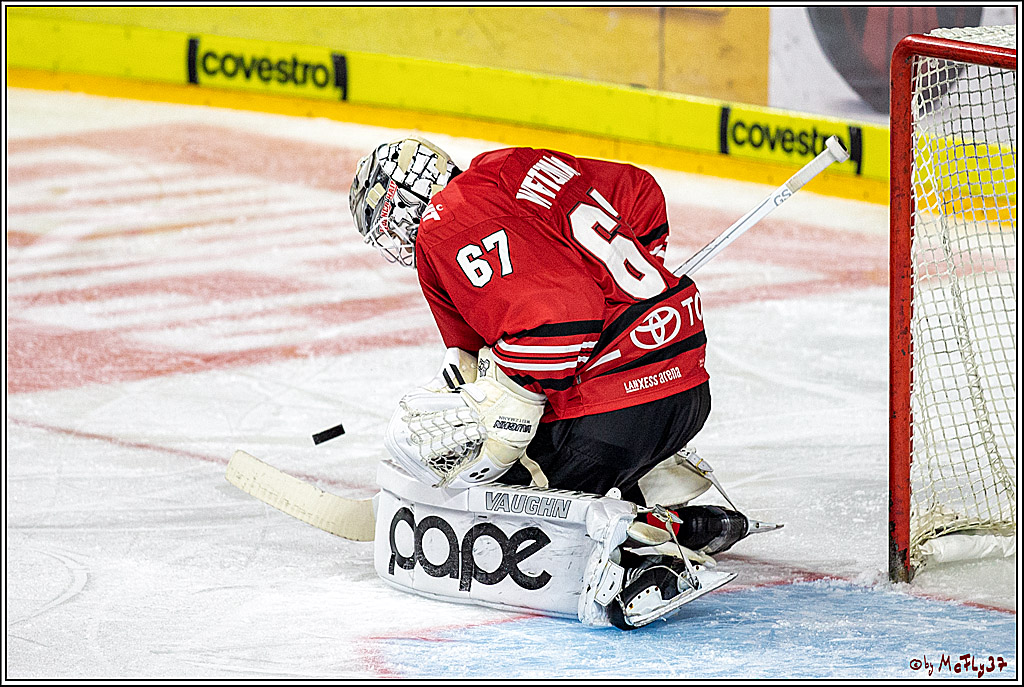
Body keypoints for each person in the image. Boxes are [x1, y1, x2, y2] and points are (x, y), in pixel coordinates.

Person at [348, 136, 769, 629]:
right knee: (551, 410)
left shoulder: (445, 221)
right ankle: (666, 510)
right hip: (686, 382)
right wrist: (627, 285)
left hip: (613, 413)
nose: (394, 240)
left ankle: (639, 559)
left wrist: (508, 412)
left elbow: (560, 322)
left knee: (507, 492)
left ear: (404, 202)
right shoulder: (509, 165)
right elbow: (641, 192)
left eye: (387, 223)